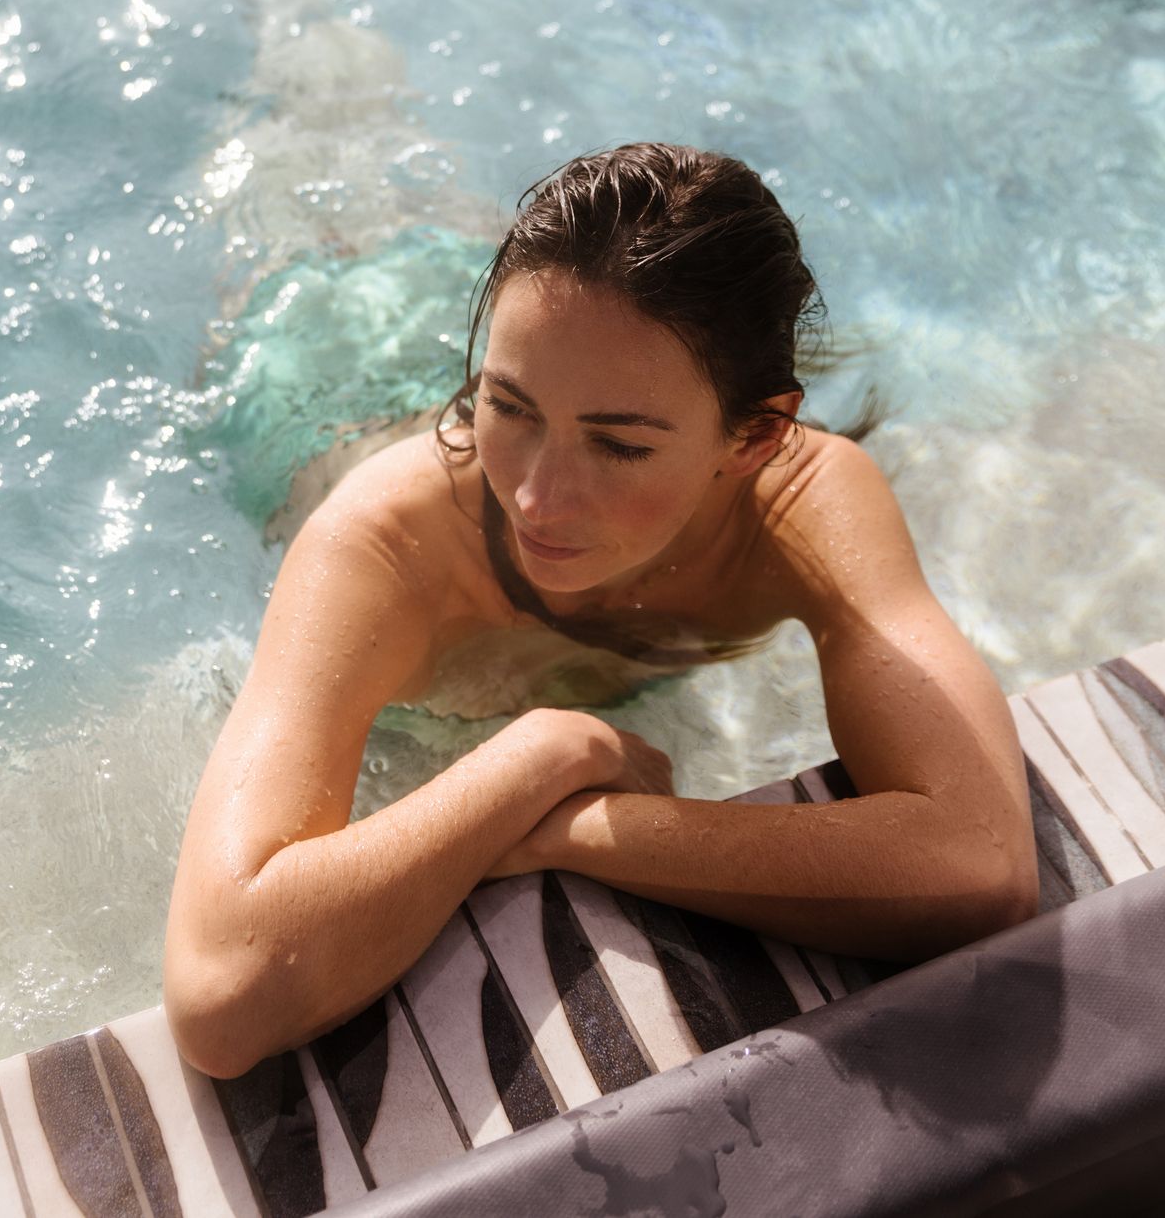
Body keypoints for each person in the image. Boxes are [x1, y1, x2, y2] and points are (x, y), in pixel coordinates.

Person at [163, 142, 1040, 1081]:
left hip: (534, 337)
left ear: (753, 437)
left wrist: (578, 831)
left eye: (618, 448)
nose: (538, 499)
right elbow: (221, 996)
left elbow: (977, 864)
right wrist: (540, 754)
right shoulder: (379, 550)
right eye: (506, 406)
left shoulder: (799, 505)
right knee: (306, 140)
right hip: (306, 378)